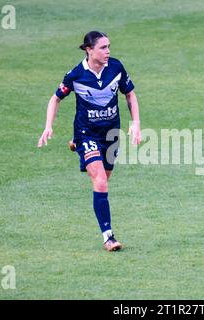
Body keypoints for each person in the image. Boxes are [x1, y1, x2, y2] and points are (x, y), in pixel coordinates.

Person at [38, 31, 141, 251]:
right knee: (100, 181)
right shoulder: (76, 75)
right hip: (87, 133)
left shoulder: (116, 68)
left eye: (109, 46)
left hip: (111, 134)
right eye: (103, 47)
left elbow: (130, 94)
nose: (108, 51)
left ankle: (77, 146)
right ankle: (108, 237)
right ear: (89, 49)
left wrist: (136, 123)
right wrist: (48, 126)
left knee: (105, 180)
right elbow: (55, 98)